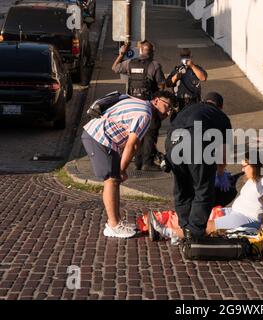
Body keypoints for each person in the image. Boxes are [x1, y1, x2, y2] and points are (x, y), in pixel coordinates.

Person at [81, 91, 175, 238]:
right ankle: (113, 225)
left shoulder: (140, 104)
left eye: (171, 110)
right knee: (112, 180)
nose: (168, 112)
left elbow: (132, 143)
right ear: (156, 101)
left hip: (104, 139)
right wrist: (122, 170)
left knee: (114, 179)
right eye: (167, 106)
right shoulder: (146, 115)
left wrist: (121, 169)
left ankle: (117, 222)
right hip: (99, 137)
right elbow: (132, 145)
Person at [150, 156, 263, 243]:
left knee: (205, 226)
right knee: (201, 217)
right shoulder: (254, 180)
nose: (242, 169)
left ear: (254, 166)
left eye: (245, 166)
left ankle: (165, 232)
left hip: (247, 218)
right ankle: (175, 233)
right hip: (236, 213)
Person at [165, 97, 231, 240]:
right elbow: (224, 152)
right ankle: (195, 233)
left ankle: (184, 227)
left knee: (182, 187)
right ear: (220, 106)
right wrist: (220, 173)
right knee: (204, 189)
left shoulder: (188, 108)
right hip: (196, 142)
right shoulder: (221, 117)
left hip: (172, 142)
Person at [112, 40, 166, 170]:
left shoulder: (130, 63)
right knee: (150, 132)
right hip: (148, 105)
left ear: (141, 51)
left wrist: (121, 54)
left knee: (136, 132)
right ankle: (147, 163)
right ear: (152, 52)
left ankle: (138, 161)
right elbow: (161, 84)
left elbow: (114, 68)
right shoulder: (154, 65)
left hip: (132, 105)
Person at [166, 48, 207, 113]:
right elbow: (167, 84)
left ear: (191, 56)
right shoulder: (176, 69)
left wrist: (192, 66)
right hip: (180, 102)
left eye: (187, 56)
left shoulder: (197, 68)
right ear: (180, 57)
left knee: (197, 121)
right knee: (178, 121)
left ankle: (197, 123)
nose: (185, 58)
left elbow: (203, 78)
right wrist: (175, 77)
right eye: (183, 56)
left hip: (194, 101)